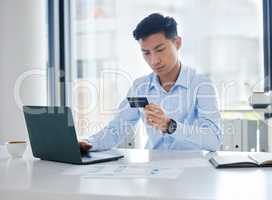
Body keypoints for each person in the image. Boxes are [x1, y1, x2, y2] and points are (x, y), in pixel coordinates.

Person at [79, 13, 221, 152]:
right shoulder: (140, 88)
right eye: (146, 53)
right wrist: (89, 142)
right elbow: (118, 127)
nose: (154, 61)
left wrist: (170, 125)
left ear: (177, 43)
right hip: (154, 168)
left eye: (160, 50)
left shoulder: (201, 85)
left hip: (192, 170)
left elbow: (213, 140)